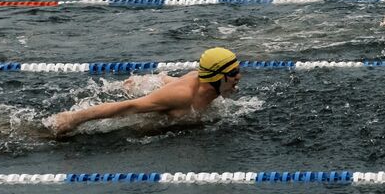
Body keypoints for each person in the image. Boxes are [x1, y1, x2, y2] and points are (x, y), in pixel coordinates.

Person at [49, 47, 241, 136]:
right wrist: (74, 119)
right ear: (217, 76)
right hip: (149, 103)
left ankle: (143, 82)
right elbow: (129, 106)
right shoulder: (182, 96)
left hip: (164, 89)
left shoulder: (211, 88)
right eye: (233, 73)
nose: (239, 77)